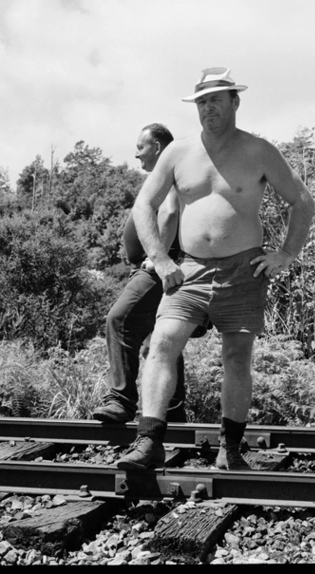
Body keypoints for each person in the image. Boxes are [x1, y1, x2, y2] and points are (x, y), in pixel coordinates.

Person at [116, 67, 315, 471]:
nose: (209, 109)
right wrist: (159, 258)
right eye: (202, 102)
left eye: (216, 101)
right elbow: (144, 205)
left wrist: (285, 255)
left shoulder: (260, 151)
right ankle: (149, 442)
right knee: (162, 345)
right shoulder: (177, 153)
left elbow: (302, 202)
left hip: (243, 270)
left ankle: (231, 449)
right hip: (188, 270)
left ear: (234, 102)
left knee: (236, 355)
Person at [92, 123, 190, 424]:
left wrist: (156, 256)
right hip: (161, 266)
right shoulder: (163, 177)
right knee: (159, 339)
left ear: (157, 147)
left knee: (119, 320)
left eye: (140, 147)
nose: (136, 155)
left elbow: (171, 212)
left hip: (160, 268)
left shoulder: (170, 176)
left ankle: (120, 400)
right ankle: (173, 411)